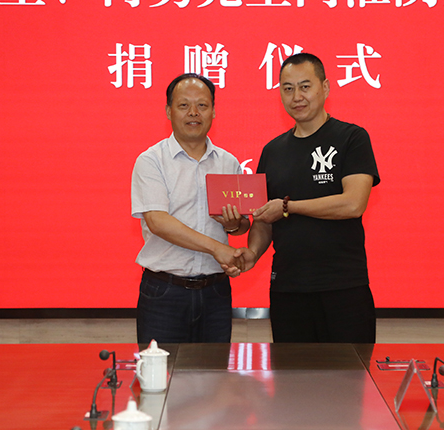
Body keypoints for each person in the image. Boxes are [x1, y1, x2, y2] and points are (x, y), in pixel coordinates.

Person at [232, 53, 380, 343]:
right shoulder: (272, 151)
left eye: (305, 86)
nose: (296, 96)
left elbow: (353, 203)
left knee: (349, 371)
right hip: (288, 290)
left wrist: (288, 207)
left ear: (325, 87)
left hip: (343, 287)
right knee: (292, 372)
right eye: (288, 88)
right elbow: (264, 219)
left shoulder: (351, 138)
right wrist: (252, 253)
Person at [131, 73, 249, 343]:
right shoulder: (151, 161)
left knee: (214, 369)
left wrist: (233, 224)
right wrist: (217, 248)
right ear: (168, 111)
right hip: (165, 292)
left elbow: (242, 224)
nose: (193, 112)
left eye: (202, 105)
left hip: (216, 292)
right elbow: (158, 221)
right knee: (162, 369)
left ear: (213, 111)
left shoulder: (229, 163)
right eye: (184, 105)